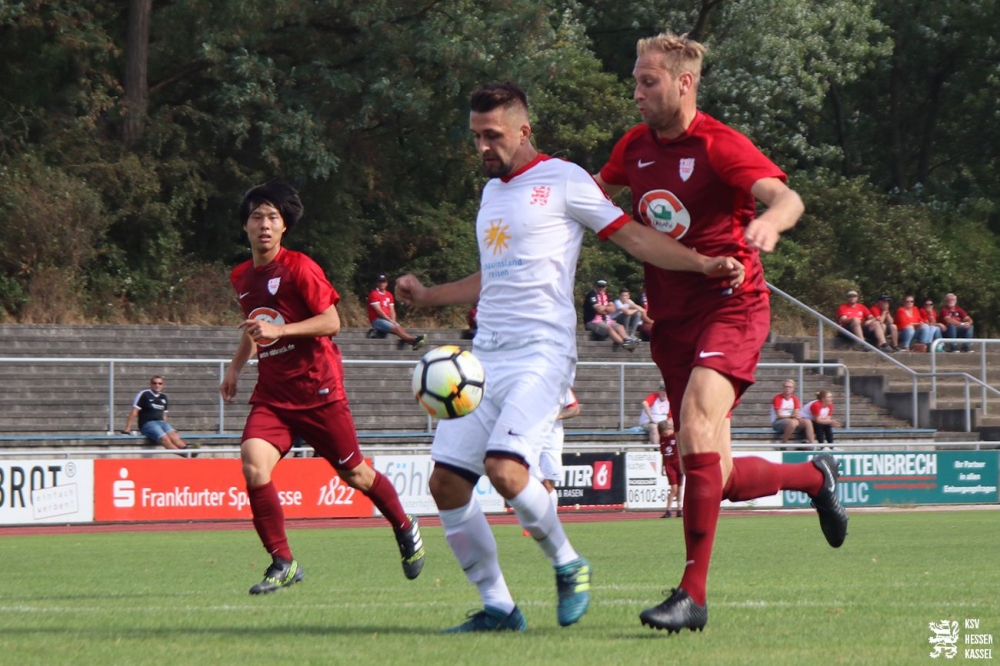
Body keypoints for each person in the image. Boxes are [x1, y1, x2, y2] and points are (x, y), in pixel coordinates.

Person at [395, 82, 745, 633]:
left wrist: (700, 263)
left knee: (506, 470)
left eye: (493, 135)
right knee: (446, 484)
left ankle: (568, 562)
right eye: (476, 136)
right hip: (485, 357)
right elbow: (495, 277)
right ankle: (499, 609)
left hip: (542, 352)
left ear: (524, 130)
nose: (483, 147)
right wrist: (428, 296)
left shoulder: (564, 179)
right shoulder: (491, 195)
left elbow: (633, 237)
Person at [593, 32, 848, 633]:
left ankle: (693, 595)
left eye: (649, 81)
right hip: (672, 320)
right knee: (717, 476)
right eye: (635, 81)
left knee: (695, 423)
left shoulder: (719, 144)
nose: (637, 93)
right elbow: (591, 194)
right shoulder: (633, 147)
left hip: (732, 306)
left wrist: (772, 222)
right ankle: (814, 477)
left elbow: (786, 197)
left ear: (684, 83)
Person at [219, 180, 425, 595]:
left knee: (356, 475)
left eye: (272, 217)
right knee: (253, 464)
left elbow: (332, 322)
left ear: (284, 226)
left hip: (318, 391)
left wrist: (280, 331)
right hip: (274, 396)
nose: (264, 225)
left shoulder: (300, 267)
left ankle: (405, 526)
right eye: (256, 217)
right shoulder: (241, 275)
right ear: (245, 226)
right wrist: (236, 368)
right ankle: (283, 562)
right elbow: (258, 324)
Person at [121, 375, 190, 451]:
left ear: (162, 385)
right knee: (165, 438)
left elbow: (164, 414)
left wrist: (163, 425)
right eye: (155, 383)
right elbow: (134, 411)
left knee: (174, 436)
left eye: (160, 383)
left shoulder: (163, 397)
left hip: (161, 423)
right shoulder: (145, 394)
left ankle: (188, 450)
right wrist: (127, 429)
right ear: (151, 384)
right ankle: (185, 455)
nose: (157, 385)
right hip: (148, 423)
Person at [367, 274, 426, 350]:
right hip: (377, 320)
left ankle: (412, 342)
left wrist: (393, 321)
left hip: (387, 319)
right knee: (396, 328)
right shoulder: (374, 294)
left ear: (386, 283)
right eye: (380, 282)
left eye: (383, 282)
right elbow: (379, 311)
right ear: (377, 283)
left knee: (400, 328)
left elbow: (392, 310)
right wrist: (390, 321)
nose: (382, 284)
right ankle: (414, 340)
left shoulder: (389, 295)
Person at [583, 280, 638, 351]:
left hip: (607, 320)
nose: (601, 288)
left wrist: (604, 308)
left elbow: (613, 309)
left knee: (620, 327)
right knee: (609, 329)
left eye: (603, 286)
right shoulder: (591, 295)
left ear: (605, 287)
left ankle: (628, 340)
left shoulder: (606, 295)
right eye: (599, 286)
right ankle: (625, 345)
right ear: (595, 286)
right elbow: (598, 309)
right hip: (593, 321)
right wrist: (607, 308)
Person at [770, 379, 817, 445]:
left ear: (793, 389)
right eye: (786, 387)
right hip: (778, 421)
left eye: (790, 387)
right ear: (783, 388)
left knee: (807, 422)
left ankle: (812, 444)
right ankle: (783, 443)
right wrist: (791, 416)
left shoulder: (794, 398)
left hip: (792, 419)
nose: (788, 389)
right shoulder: (778, 398)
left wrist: (797, 416)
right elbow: (779, 415)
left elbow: (796, 412)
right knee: (793, 422)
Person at [657, 419, 683, 518]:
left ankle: (679, 509)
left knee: (679, 488)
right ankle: (668, 510)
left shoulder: (677, 435)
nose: (665, 435)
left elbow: (682, 450)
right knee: (674, 489)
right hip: (669, 465)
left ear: (668, 428)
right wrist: (662, 466)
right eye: (663, 434)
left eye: (665, 432)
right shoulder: (662, 439)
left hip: (679, 464)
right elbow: (663, 454)